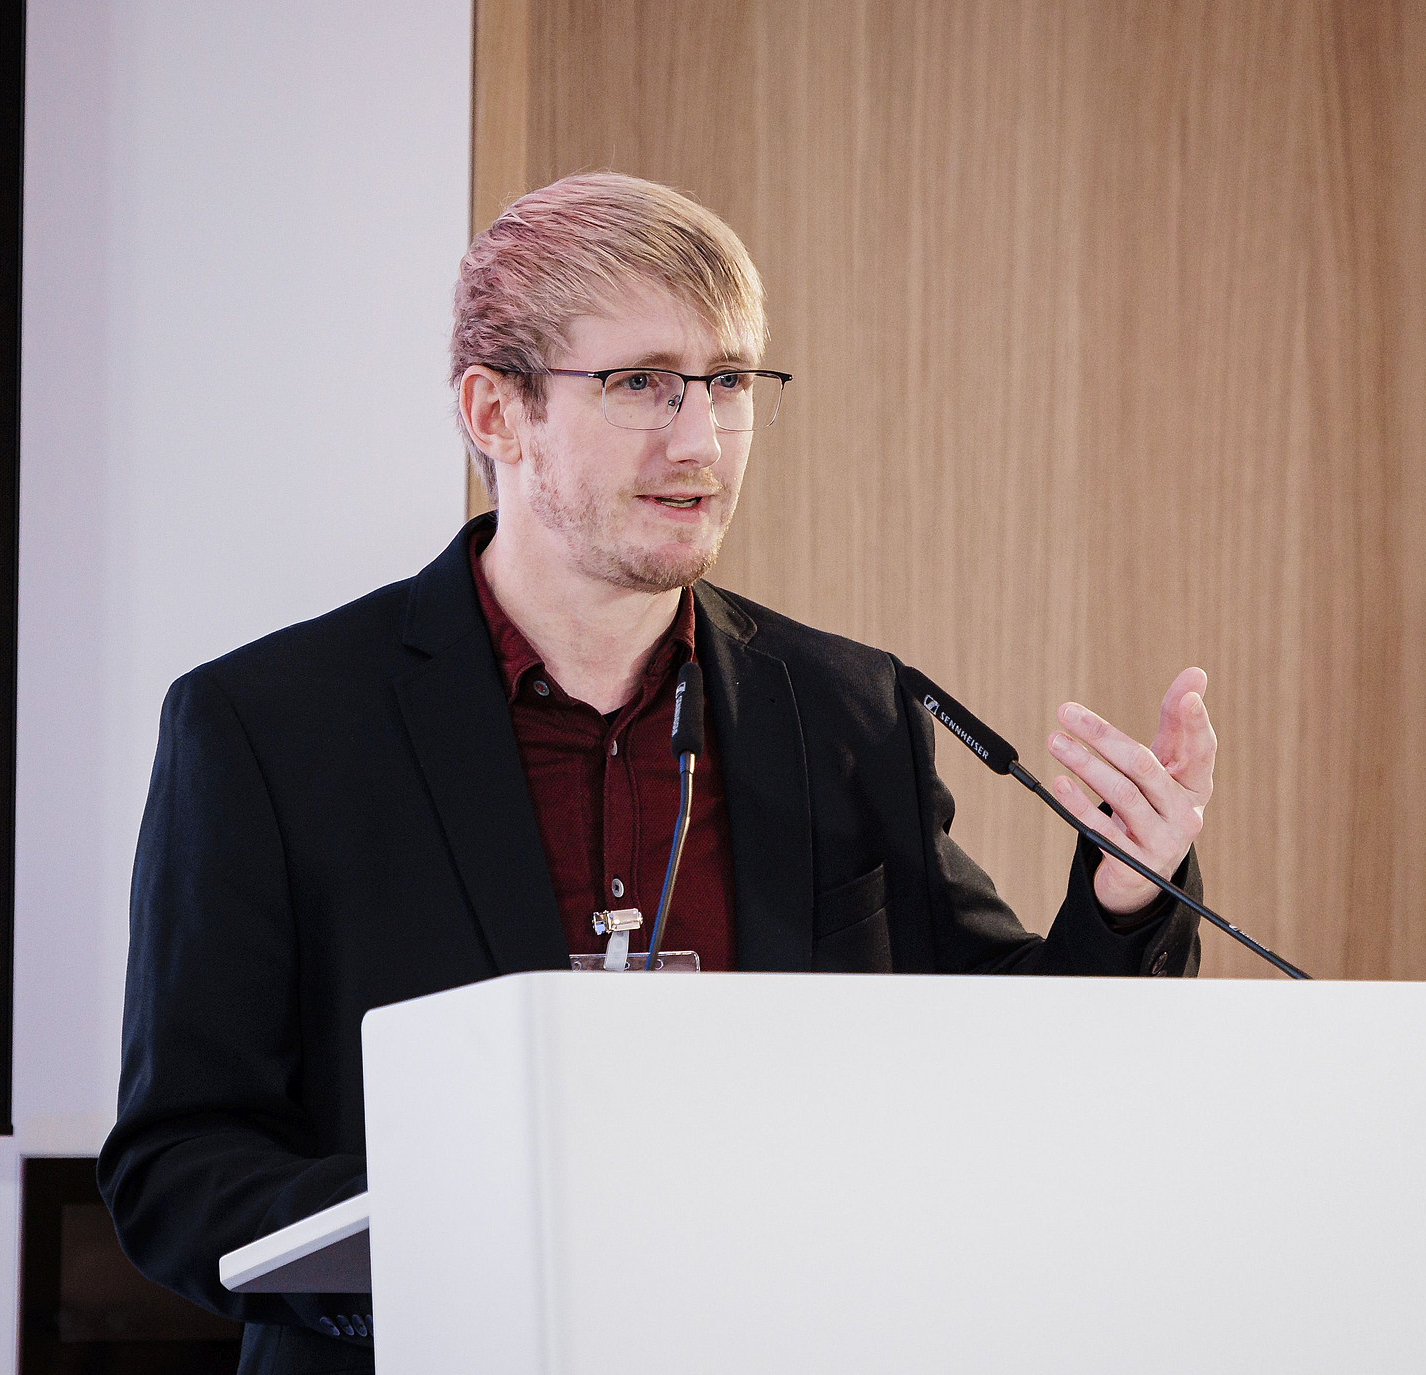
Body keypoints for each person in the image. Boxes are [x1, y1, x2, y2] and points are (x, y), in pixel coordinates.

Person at [98, 172, 1216, 1375]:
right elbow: (179, 1167)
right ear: (494, 411)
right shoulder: (271, 728)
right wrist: (461, 1235)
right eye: (640, 384)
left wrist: (1125, 896)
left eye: (730, 382)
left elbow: (1003, 1064)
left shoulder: (845, 708)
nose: (703, 440)